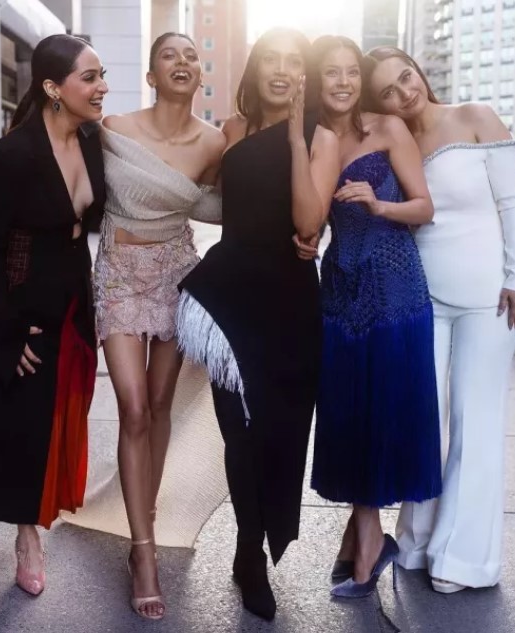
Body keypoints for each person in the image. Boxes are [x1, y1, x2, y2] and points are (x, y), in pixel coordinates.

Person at [176, 28, 341, 620]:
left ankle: (257, 544)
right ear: (255, 68)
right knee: (239, 436)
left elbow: (309, 223)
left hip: (291, 304)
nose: (281, 69)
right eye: (271, 58)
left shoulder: (322, 136)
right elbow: (208, 196)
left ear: (303, 75)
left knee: (280, 431)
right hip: (230, 300)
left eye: (293, 61)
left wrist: (295, 138)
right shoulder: (231, 130)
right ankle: (249, 553)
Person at [362, 47, 515, 593]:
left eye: (405, 77)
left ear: (419, 71)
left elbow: (513, 202)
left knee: (474, 420)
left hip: (489, 296)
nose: (404, 92)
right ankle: (417, 541)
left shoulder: (475, 116)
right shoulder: (395, 142)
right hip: (421, 297)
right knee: (422, 418)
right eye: (388, 91)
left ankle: (463, 558)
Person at [0, 34, 108, 596]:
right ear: (53, 88)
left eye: (102, 75)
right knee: (25, 422)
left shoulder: (93, 143)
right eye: (90, 77)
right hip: (26, 309)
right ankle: (27, 535)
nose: (102, 87)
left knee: (60, 415)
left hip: (75, 303)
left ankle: (39, 513)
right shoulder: (11, 156)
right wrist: (6, 329)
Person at [80, 32, 225, 620]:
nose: (182, 62)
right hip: (118, 272)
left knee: (161, 404)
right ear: (151, 76)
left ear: (199, 76)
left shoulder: (214, 142)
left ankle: (145, 527)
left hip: (175, 272)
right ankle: (143, 549)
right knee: (134, 407)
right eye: (170, 55)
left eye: (191, 56)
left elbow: (232, 202)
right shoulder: (114, 128)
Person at [295, 35, 442, 599]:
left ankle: (367, 547)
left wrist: (380, 204)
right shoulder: (313, 140)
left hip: (396, 285)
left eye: (351, 72)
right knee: (348, 414)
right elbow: (305, 214)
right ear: (317, 80)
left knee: (384, 410)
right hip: (340, 286)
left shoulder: (388, 127)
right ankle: (365, 538)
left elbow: (424, 207)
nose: (343, 82)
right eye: (331, 72)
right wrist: (304, 239)